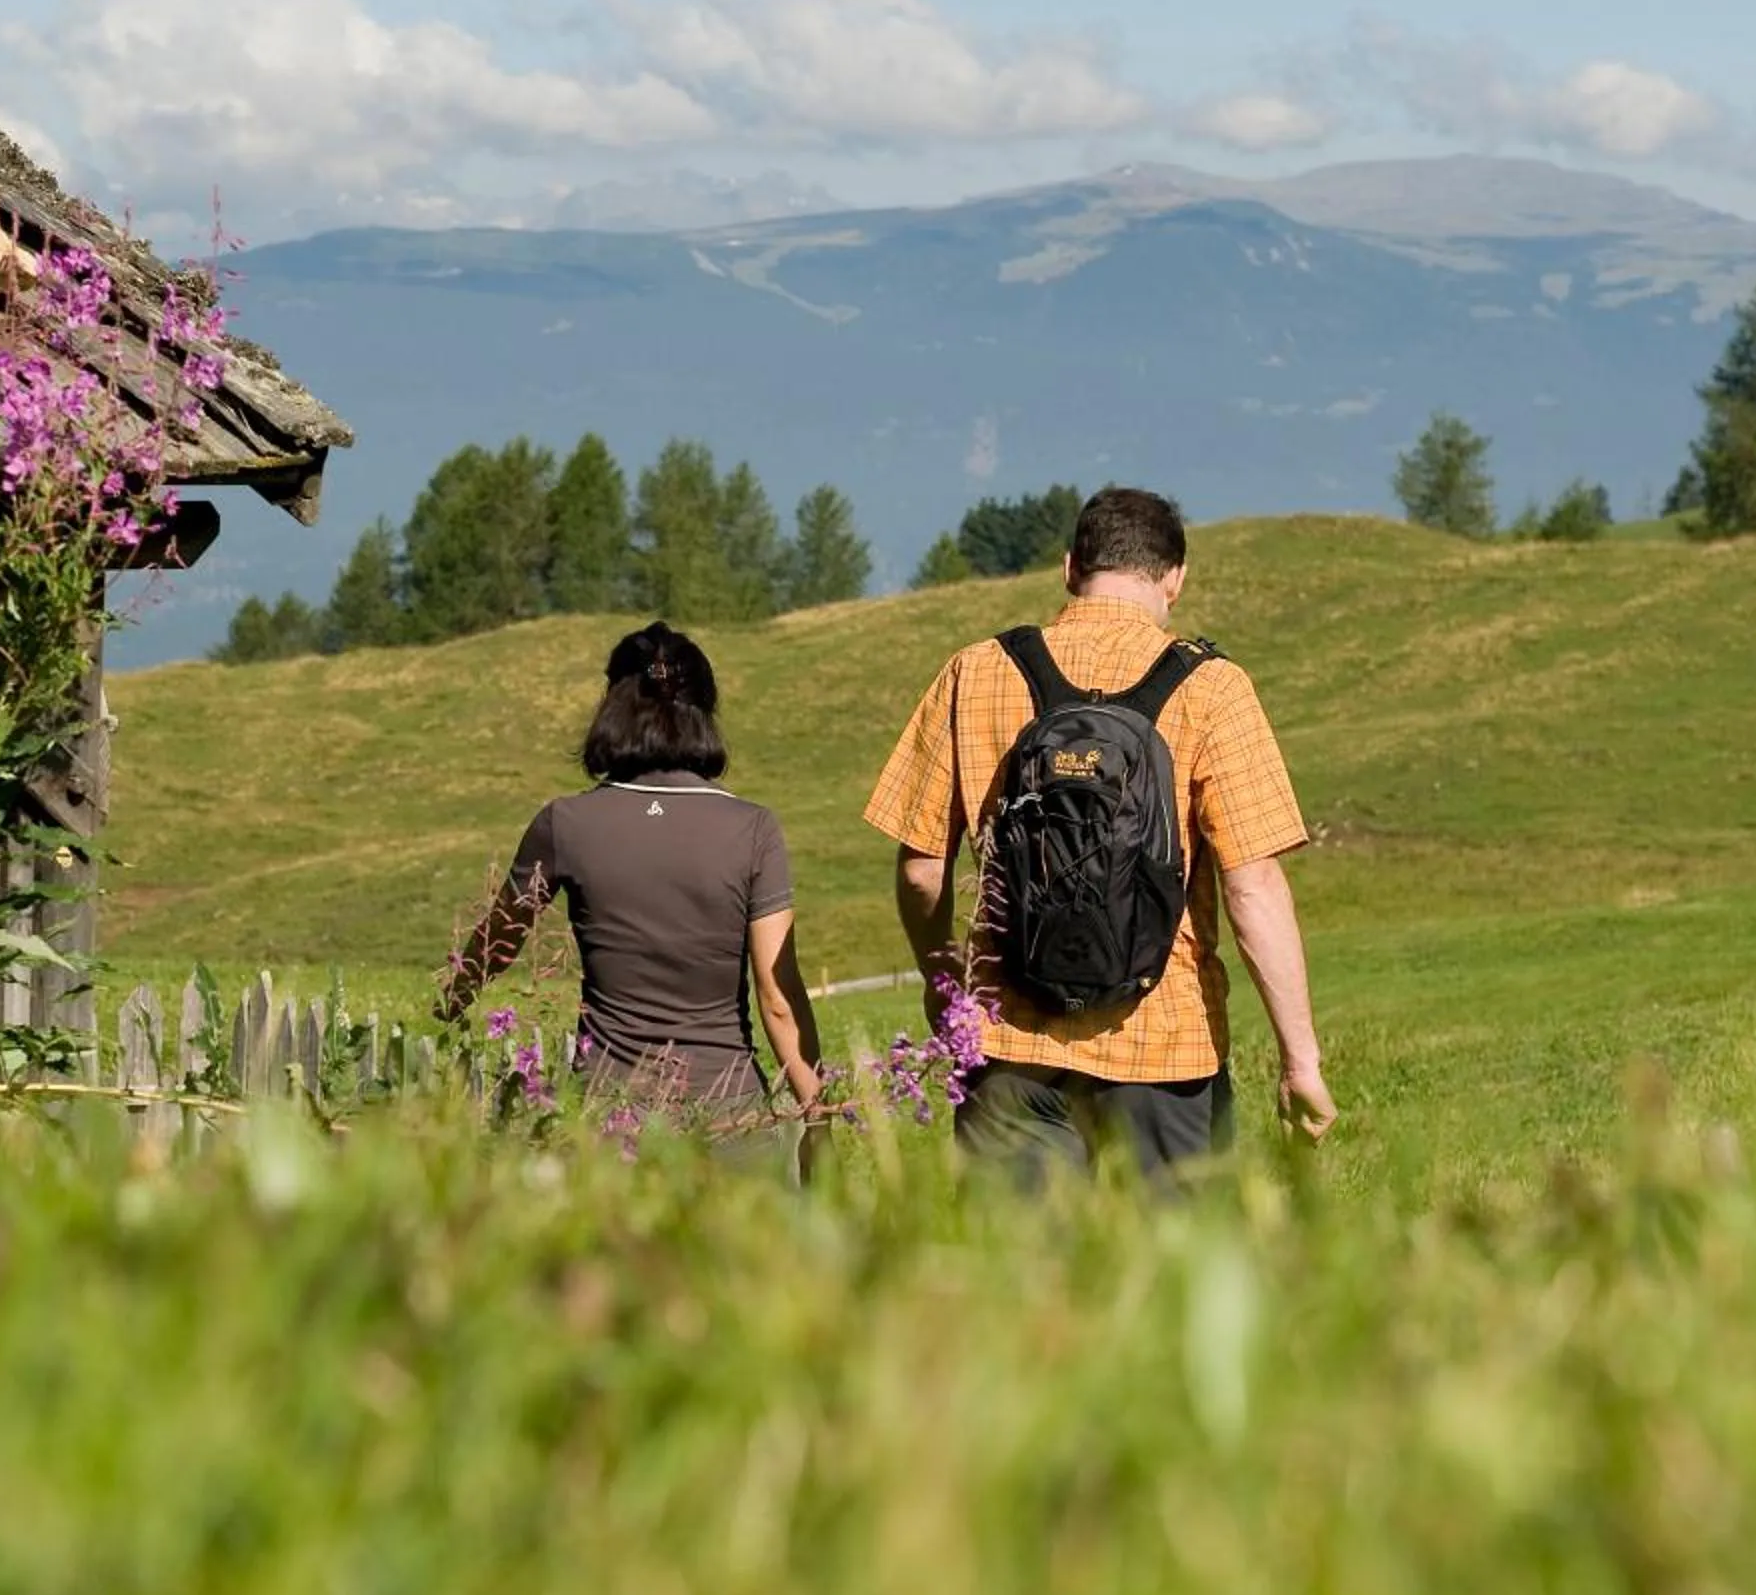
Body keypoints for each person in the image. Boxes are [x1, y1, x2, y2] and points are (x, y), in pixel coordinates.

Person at [861, 485, 1335, 1189]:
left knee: (1017, 1288)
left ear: (1069, 568)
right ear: (1174, 579)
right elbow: (1253, 885)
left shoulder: (978, 670)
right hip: (1165, 1051)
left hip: (1008, 1044)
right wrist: (1301, 1062)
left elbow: (921, 869)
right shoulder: (1213, 689)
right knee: (1166, 1290)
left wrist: (946, 981)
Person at [439, 622, 825, 1125]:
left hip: (609, 1114)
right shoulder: (753, 829)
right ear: (704, 710)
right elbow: (777, 997)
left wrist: (453, 1001)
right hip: (729, 1110)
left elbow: (498, 943)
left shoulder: (564, 823)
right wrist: (820, 1116)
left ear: (612, 708)